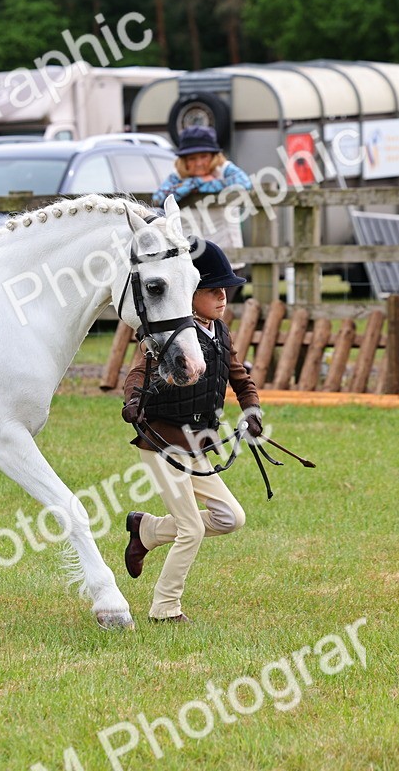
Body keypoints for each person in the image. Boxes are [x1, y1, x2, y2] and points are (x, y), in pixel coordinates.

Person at [121, 240, 263, 624]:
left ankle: (146, 530)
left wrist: (251, 409)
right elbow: (137, 375)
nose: (222, 298)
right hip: (162, 444)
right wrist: (132, 400)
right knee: (191, 529)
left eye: (225, 291)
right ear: (189, 294)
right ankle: (165, 609)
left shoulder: (221, 331)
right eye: (213, 291)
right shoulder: (166, 337)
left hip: (198, 445)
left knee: (231, 518)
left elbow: (239, 377)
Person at [152, 126, 252, 291]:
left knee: (218, 309)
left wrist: (204, 184)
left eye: (204, 156)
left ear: (213, 156)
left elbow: (245, 184)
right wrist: (193, 183)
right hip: (190, 259)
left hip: (227, 258)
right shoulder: (177, 175)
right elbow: (159, 198)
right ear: (184, 160)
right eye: (192, 158)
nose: (198, 163)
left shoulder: (225, 169)